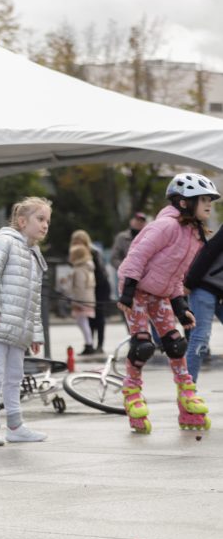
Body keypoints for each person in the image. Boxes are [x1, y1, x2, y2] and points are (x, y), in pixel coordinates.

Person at [117, 174, 218, 434]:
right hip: (137, 290)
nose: (209, 205)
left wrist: (181, 307)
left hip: (161, 294)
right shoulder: (165, 226)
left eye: (211, 200)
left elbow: (175, 276)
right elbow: (136, 256)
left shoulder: (193, 235)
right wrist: (127, 292)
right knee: (142, 345)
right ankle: (132, 394)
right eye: (204, 199)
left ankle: (187, 399)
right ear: (184, 203)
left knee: (176, 342)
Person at [0, 197, 51, 446]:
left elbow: (33, 299)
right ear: (21, 221)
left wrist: (35, 332)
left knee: (15, 376)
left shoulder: (34, 254)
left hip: (18, 327)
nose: (45, 225)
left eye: (47, 221)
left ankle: (15, 426)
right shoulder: (2, 241)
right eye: (40, 219)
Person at [183, 223, 223, 383]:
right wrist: (190, 282)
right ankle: (188, 388)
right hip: (205, 287)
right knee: (200, 338)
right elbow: (209, 251)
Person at [70, 230, 110, 353]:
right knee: (89, 318)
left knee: (99, 317)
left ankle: (99, 345)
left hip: (99, 288)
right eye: (75, 241)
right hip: (89, 289)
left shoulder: (93, 252)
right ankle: (90, 344)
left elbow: (100, 274)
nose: (77, 244)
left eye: (80, 241)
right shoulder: (78, 253)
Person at [67, 244, 96, 355]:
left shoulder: (79, 269)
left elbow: (79, 287)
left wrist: (76, 301)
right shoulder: (88, 267)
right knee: (83, 322)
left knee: (82, 322)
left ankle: (89, 344)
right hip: (88, 298)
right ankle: (89, 343)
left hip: (81, 300)